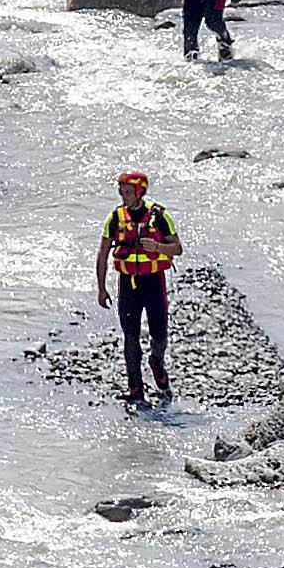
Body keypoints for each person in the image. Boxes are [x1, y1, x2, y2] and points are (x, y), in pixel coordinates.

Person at [95, 169, 182, 407]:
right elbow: (103, 253)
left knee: (159, 334)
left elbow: (177, 248)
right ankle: (135, 389)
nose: (124, 196)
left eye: (128, 192)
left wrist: (156, 246)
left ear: (140, 192)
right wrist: (101, 288)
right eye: (121, 191)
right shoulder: (115, 218)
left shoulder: (160, 216)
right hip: (128, 285)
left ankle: (157, 363)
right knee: (130, 336)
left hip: (154, 282)